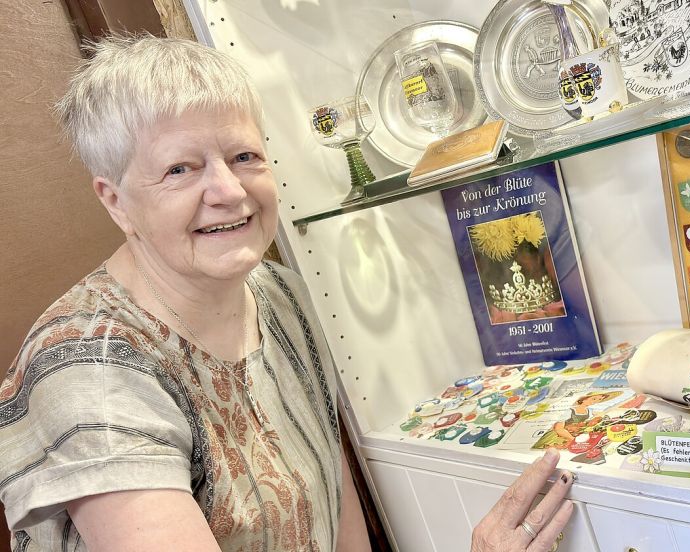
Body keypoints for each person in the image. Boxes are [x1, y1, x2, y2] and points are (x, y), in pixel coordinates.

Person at [0, 35, 573, 551]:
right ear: (116, 201)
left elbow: (336, 502)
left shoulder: (279, 295)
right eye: (180, 169)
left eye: (244, 156)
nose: (229, 190)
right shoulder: (86, 366)